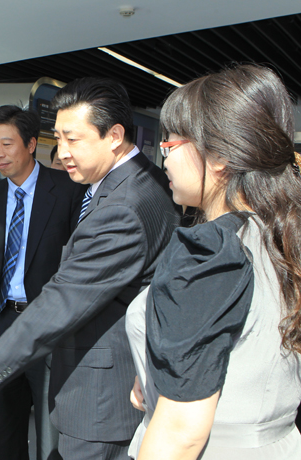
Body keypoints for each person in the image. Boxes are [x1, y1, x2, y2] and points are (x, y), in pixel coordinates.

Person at [0, 77, 181, 460]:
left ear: (114, 135)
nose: (63, 152)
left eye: (73, 139)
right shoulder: (138, 181)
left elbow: (65, 297)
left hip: (100, 397)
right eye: (59, 139)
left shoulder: (122, 205)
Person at [125, 65, 301, 460]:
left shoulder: (209, 251)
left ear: (218, 156)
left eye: (170, 145)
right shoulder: (278, 233)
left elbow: (180, 432)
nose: (164, 161)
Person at [0, 105, 84, 459]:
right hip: (4, 324)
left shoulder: (68, 191)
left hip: (48, 326)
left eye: (7, 144)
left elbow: (78, 265)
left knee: (50, 427)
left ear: (31, 144)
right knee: (7, 425)